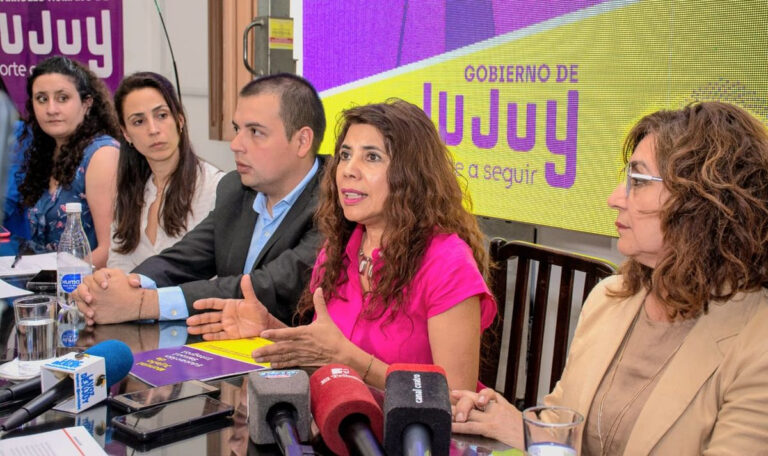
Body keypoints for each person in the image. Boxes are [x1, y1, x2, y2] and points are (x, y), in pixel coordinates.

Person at [452, 102, 768, 453]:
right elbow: (563, 424)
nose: (614, 198)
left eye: (639, 181)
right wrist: (511, 423)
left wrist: (528, 436)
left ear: (704, 201)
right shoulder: (610, 298)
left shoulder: (757, 345)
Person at [187, 100, 497, 391]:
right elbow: (324, 358)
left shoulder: (447, 262)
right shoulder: (339, 248)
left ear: (412, 175)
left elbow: (455, 397)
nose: (348, 169)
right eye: (345, 155)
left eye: (372, 157)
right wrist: (269, 329)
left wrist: (350, 360)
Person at [72, 73, 326, 326]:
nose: (236, 144)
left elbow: (270, 287)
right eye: (237, 129)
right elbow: (183, 259)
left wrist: (143, 303)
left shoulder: (334, 205)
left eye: (255, 132)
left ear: (302, 141)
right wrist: (115, 288)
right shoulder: (235, 190)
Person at [108, 72, 223, 271]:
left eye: (161, 115)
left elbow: (216, 272)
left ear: (179, 120)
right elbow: (118, 262)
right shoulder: (130, 191)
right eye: (139, 121)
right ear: (126, 134)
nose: (153, 129)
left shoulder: (214, 187)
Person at [18, 56, 120, 267]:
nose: (51, 109)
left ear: (86, 103)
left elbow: (110, 250)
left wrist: (61, 279)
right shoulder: (46, 151)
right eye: (41, 99)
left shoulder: (102, 154)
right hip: (44, 279)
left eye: (62, 98)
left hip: (83, 282)